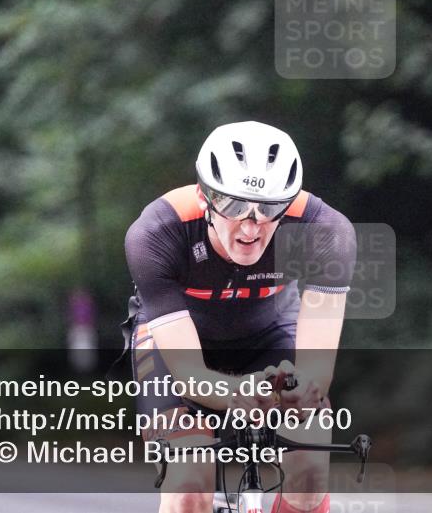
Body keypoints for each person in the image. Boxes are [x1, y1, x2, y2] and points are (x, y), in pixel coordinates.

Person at [124, 121, 356, 513]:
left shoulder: (326, 232)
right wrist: (240, 392)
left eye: (269, 208)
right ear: (204, 196)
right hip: (178, 349)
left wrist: (301, 390)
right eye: (234, 207)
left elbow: (316, 371)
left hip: (270, 334)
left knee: (310, 468)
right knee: (189, 485)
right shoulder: (158, 232)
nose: (251, 226)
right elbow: (189, 376)